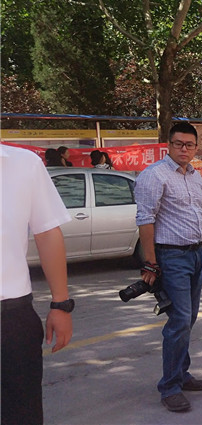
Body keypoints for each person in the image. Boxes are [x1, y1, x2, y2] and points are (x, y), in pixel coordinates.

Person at [134, 121, 202, 412]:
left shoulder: (195, 175)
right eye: (178, 144)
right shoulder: (154, 175)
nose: (184, 149)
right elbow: (146, 220)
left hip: (195, 255)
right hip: (171, 257)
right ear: (169, 144)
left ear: (195, 147)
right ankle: (169, 387)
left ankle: (181, 373)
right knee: (179, 320)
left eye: (189, 145)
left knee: (188, 318)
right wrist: (151, 263)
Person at [1, 144, 74, 425]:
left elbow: (47, 233)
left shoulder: (24, 164)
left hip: (11, 318)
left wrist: (61, 304)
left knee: (22, 413)